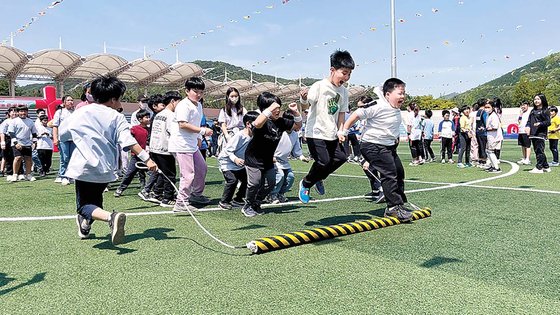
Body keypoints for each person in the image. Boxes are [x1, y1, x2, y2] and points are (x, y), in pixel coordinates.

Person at [58, 76, 157, 244]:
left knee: (83, 206)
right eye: (120, 99)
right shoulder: (116, 117)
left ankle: (111, 217)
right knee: (95, 202)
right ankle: (85, 225)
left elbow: (63, 134)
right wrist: (147, 159)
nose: (120, 102)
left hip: (84, 167)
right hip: (106, 169)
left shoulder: (81, 111)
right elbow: (129, 141)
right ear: (112, 100)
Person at [342, 78, 414, 222]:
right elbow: (356, 114)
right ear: (388, 94)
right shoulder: (378, 105)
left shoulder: (395, 109)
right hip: (372, 145)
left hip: (388, 146)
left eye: (404, 93)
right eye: (399, 93)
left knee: (399, 172)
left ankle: (399, 203)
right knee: (390, 173)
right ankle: (393, 208)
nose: (403, 97)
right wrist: (343, 131)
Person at [298, 50, 354, 203]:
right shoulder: (319, 86)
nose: (346, 77)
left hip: (332, 133)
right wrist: (303, 99)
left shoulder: (343, 91)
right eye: (344, 73)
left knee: (342, 157)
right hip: (315, 133)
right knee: (323, 162)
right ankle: (306, 183)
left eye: (349, 74)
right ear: (332, 70)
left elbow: (342, 113)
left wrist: (342, 130)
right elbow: (306, 104)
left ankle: (318, 177)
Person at [241, 93, 301, 217]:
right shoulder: (261, 121)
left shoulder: (281, 122)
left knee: (272, 183)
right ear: (266, 109)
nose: (278, 110)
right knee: (255, 183)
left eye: (279, 107)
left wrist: (296, 113)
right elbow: (257, 124)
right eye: (274, 107)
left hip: (268, 160)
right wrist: (268, 111)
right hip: (253, 159)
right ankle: (247, 205)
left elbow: (298, 126)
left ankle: (256, 202)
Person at [168, 77, 213, 213]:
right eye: (195, 91)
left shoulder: (198, 105)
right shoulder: (183, 105)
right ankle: (181, 202)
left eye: (201, 92)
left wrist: (199, 136)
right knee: (188, 175)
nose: (198, 95)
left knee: (202, 168)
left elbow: (196, 123)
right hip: (182, 145)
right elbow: (183, 124)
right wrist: (203, 131)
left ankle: (196, 195)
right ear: (187, 91)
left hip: (191, 144)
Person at [143, 91, 182, 207]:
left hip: (155, 148)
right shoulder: (171, 115)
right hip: (165, 149)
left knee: (161, 173)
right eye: (179, 102)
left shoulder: (159, 114)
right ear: (173, 101)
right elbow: (173, 132)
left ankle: (157, 193)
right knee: (170, 174)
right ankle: (168, 198)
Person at [217, 111, 259, 210]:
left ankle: (238, 199)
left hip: (239, 163)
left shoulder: (254, 136)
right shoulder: (239, 135)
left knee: (247, 179)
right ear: (248, 124)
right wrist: (235, 159)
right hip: (227, 162)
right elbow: (228, 150)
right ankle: (224, 201)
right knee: (232, 180)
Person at [268, 110, 309, 204]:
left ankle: (280, 193)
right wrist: (270, 156)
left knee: (290, 177)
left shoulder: (294, 134)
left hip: (284, 161)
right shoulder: (278, 132)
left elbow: (296, 150)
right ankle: (272, 195)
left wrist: (301, 157)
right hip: (274, 160)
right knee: (280, 176)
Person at [114, 109, 151, 197]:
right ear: (140, 119)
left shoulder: (150, 130)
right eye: (146, 117)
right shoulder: (135, 129)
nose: (148, 119)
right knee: (129, 174)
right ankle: (120, 189)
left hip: (148, 156)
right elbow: (127, 138)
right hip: (136, 156)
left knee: (151, 173)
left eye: (149, 117)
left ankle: (146, 188)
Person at [7, 105, 38, 182]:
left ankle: (28, 175)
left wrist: (34, 142)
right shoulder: (14, 121)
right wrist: (16, 143)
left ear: (27, 112)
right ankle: (15, 175)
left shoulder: (30, 121)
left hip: (27, 143)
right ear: (18, 112)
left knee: (28, 159)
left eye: (25, 111)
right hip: (17, 142)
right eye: (21, 111)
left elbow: (34, 132)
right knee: (18, 158)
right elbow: (11, 132)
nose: (23, 113)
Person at [51, 95, 75, 185]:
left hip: (74, 139)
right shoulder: (59, 112)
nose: (71, 102)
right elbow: (55, 126)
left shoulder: (75, 112)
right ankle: (63, 175)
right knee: (65, 157)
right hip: (63, 139)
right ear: (64, 102)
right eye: (68, 100)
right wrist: (55, 138)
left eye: (72, 100)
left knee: (73, 158)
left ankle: (71, 176)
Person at [526, 93, 551, 174]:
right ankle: (546, 166)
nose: (536, 101)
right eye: (535, 99)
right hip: (533, 133)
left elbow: (548, 122)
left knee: (539, 151)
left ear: (542, 100)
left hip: (540, 134)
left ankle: (539, 167)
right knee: (538, 151)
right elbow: (529, 121)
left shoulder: (545, 110)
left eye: (538, 99)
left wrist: (540, 124)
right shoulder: (533, 111)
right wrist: (527, 126)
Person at [217, 87, 247, 154]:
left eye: (236, 96)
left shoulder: (242, 109)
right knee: (227, 154)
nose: (234, 98)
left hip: (240, 134)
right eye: (232, 96)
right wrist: (227, 136)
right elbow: (223, 124)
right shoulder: (224, 110)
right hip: (229, 134)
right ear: (228, 97)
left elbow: (247, 121)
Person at [484, 100, 503, 173]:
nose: (486, 109)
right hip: (491, 136)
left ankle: (496, 167)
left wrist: (486, 129)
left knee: (490, 151)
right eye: (485, 107)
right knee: (488, 151)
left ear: (492, 107)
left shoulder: (494, 116)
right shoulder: (489, 115)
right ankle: (492, 165)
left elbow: (495, 127)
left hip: (494, 137)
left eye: (488, 107)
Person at [1, 107, 17, 177]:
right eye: (12, 112)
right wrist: (3, 141)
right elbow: (2, 132)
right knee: (9, 157)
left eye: (15, 112)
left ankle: (19, 173)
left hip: (18, 139)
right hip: (8, 139)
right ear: (9, 113)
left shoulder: (19, 121)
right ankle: (9, 173)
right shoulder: (6, 121)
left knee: (18, 156)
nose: (14, 113)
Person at [517, 100, 532, 165]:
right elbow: (519, 121)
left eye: (524, 105)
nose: (523, 106)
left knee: (527, 145)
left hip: (526, 131)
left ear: (527, 105)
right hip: (521, 131)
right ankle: (524, 158)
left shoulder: (530, 112)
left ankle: (528, 159)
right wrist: (520, 114)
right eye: (522, 105)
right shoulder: (521, 113)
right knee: (523, 145)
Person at [474, 99, 488, 167]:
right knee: (484, 147)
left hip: (478, 131)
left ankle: (480, 160)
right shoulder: (484, 112)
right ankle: (484, 161)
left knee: (480, 146)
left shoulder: (478, 112)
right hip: (483, 132)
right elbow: (486, 122)